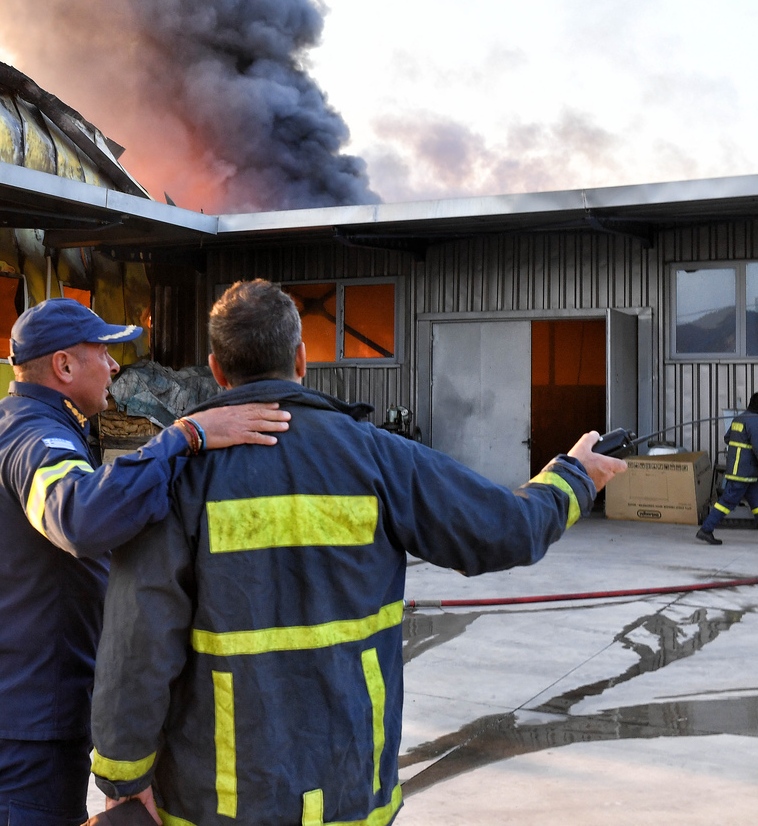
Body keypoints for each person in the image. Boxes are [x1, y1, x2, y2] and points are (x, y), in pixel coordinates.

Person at [89, 280, 626, 826]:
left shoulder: (176, 476)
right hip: (351, 791)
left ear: (218, 371)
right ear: (301, 359)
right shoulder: (379, 457)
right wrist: (574, 476)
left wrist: (123, 778)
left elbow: (137, 642)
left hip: (220, 800)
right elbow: (509, 528)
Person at [0, 297, 292, 826]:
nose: (114, 365)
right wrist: (184, 438)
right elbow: (82, 518)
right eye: (102, 351)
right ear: (64, 365)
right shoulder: (38, 439)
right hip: (25, 716)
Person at [698, 390, 758, 545]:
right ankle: (706, 529)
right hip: (742, 473)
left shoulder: (739, 419)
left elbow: (727, 438)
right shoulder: (756, 422)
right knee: (728, 501)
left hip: (746, 473)